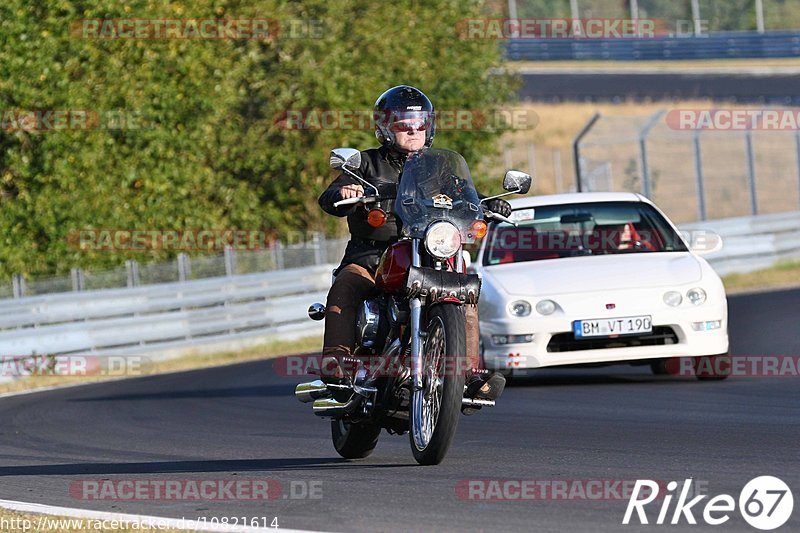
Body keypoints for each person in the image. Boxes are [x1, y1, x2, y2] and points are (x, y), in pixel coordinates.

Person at [317, 85, 511, 408]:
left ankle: (469, 372)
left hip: (428, 255)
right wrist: (345, 193)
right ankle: (337, 362)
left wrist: (489, 206)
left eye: (420, 123)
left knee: (465, 292)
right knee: (346, 285)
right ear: (385, 127)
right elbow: (329, 198)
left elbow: (465, 196)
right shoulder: (366, 164)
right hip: (373, 258)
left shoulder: (439, 169)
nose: (413, 130)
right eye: (404, 123)